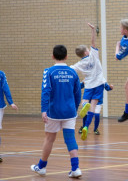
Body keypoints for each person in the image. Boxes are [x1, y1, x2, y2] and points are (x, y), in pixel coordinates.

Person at [30, 45, 82, 178]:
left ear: (53, 56)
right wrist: (74, 108)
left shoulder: (49, 72)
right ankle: (75, 168)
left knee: (49, 138)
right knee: (70, 138)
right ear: (66, 56)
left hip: (53, 112)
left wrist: (43, 110)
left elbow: (46, 92)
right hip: (70, 111)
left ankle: (41, 167)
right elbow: (77, 93)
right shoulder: (73, 72)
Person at [70, 23, 108, 140]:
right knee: (93, 105)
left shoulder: (80, 64)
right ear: (87, 52)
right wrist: (92, 30)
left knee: (85, 101)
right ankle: (86, 126)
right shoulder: (93, 55)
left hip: (89, 85)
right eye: (87, 49)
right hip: (99, 84)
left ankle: (83, 107)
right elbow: (93, 42)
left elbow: (70, 68)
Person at [0, 71, 18, 162]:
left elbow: (5, 87)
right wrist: (11, 102)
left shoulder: (1, 74)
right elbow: (5, 88)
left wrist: (11, 102)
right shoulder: (1, 74)